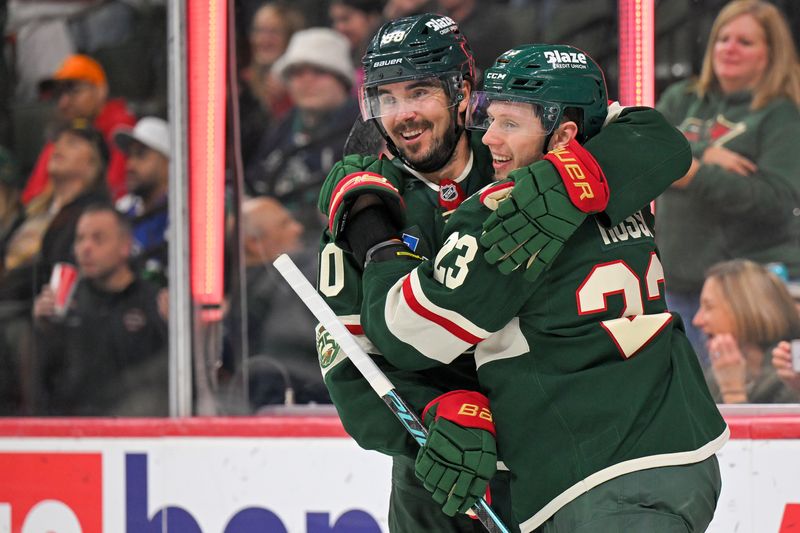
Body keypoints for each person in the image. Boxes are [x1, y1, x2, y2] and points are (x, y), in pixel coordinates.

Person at [317, 13, 700, 532]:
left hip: (554, 458)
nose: (402, 114)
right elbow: (348, 361)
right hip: (443, 474)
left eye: (419, 92)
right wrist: (432, 410)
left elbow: (652, 136)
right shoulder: (365, 207)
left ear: (461, 91)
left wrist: (576, 176)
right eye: (386, 98)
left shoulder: (520, 150)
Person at [655, 0, 800, 367]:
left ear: (771, 54)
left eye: (745, 42)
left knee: (732, 393)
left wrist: (693, 174)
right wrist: (704, 153)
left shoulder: (782, 113)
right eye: (723, 38)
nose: (729, 48)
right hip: (674, 285)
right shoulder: (681, 98)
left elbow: (777, 200)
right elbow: (643, 150)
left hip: (743, 295)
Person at [33, 204, 168, 416]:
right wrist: (42, 329)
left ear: (125, 246)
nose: (86, 248)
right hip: (74, 422)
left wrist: (172, 324)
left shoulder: (153, 301)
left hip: (136, 421)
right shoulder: (68, 302)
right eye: (80, 239)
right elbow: (48, 383)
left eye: (98, 239)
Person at [245, 27, 359, 245]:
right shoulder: (282, 127)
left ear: (342, 80)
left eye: (319, 72)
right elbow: (253, 180)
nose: (306, 81)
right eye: (297, 73)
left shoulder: (364, 130)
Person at [241, 196, 328, 407]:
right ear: (254, 243)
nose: (298, 228)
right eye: (285, 224)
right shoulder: (294, 279)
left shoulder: (242, 296)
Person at [23, 54, 136, 204]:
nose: (63, 103)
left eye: (74, 90)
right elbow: (33, 195)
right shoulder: (63, 131)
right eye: (59, 93)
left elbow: (116, 192)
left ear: (100, 90)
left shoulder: (120, 125)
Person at [693, 259, 800, 403]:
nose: (697, 320)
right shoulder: (718, 372)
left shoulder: (790, 378)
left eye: (709, 307)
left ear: (745, 311)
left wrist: (732, 392)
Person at [238, 2, 304, 163]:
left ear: (290, 38)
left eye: (273, 32)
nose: (263, 39)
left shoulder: (303, 88)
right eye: (258, 31)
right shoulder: (241, 84)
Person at [113, 116, 170, 286]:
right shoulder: (121, 210)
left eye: (141, 155)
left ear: (167, 163)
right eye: (129, 156)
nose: (130, 165)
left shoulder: (183, 212)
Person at [328, 0, 385, 92]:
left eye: (345, 19)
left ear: (372, 17)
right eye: (335, 21)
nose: (339, 27)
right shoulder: (342, 57)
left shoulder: (387, 57)